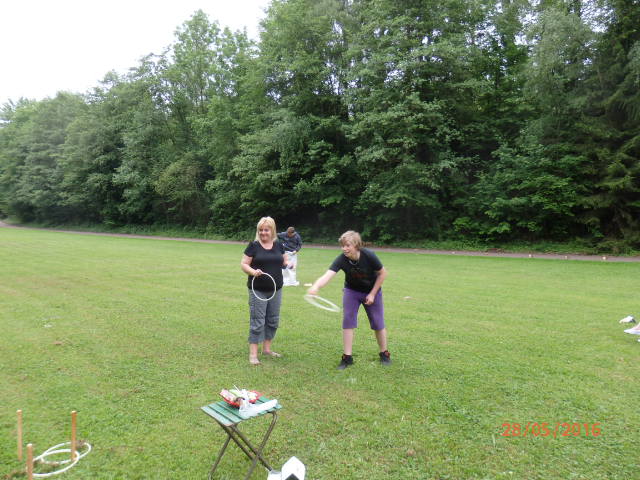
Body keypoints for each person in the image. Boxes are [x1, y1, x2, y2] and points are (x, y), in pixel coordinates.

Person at [308, 230, 391, 369]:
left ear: (356, 245)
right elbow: (328, 275)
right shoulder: (342, 259)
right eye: (342, 245)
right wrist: (316, 286)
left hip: (372, 291)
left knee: (378, 323)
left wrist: (372, 294)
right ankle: (347, 358)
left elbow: (383, 273)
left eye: (348, 245)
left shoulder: (368, 255)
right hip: (352, 291)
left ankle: (384, 353)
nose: (344, 249)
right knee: (348, 321)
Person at [241, 217, 288, 365]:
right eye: (260, 230)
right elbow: (244, 264)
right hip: (258, 290)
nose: (263, 233)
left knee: (273, 320)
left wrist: (288, 264)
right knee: (258, 321)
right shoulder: (253, 246)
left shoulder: (279, 245)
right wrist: (253, 272)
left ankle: (267, 349)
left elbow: (284, 260)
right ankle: (253, 354)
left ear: (272, 230)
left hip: (276, 289)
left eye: (266, 230)